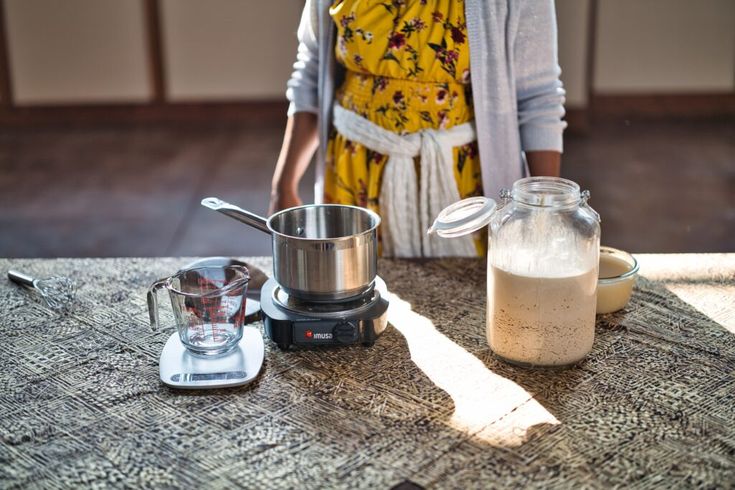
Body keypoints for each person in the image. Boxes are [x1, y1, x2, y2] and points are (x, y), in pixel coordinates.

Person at [269, 0, 566, 257]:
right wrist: (283, 186)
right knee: (353, 295)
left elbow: (538, 99)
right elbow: (312, 70)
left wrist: (544, 210)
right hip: (353, 174)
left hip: (463, 183)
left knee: (462, 305)